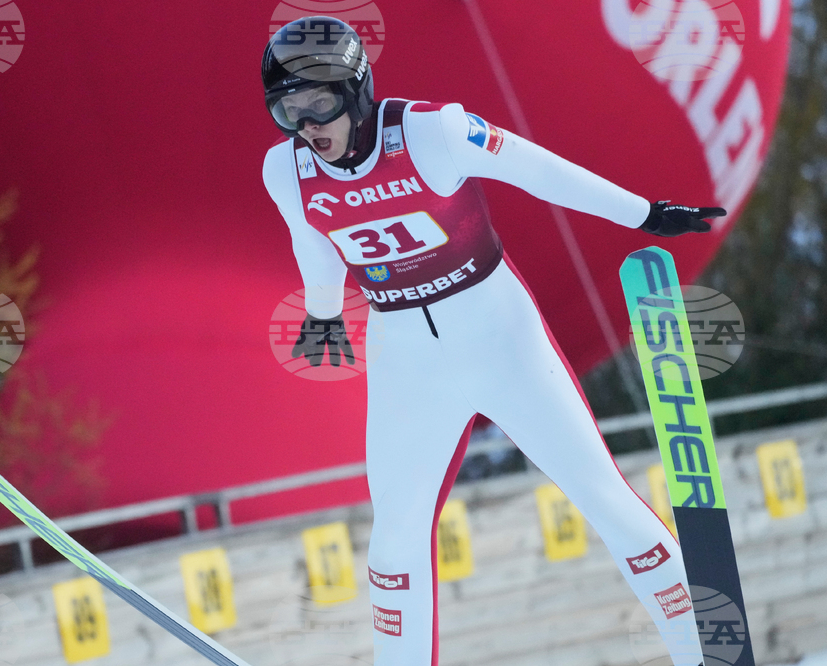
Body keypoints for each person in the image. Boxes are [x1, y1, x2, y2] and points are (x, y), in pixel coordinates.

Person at [261, 16, 723, 666]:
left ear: (357, 89)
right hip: (407, 357)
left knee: (603, 497)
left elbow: (541, 172)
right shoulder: (286, 168)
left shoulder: (431, 131)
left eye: (320, 104)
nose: (308, 127)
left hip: (498, 336)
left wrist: (643, 213)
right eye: (288, 112)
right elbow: (311, 238)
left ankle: (707, 655)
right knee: (392, 546)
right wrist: (323, 311)